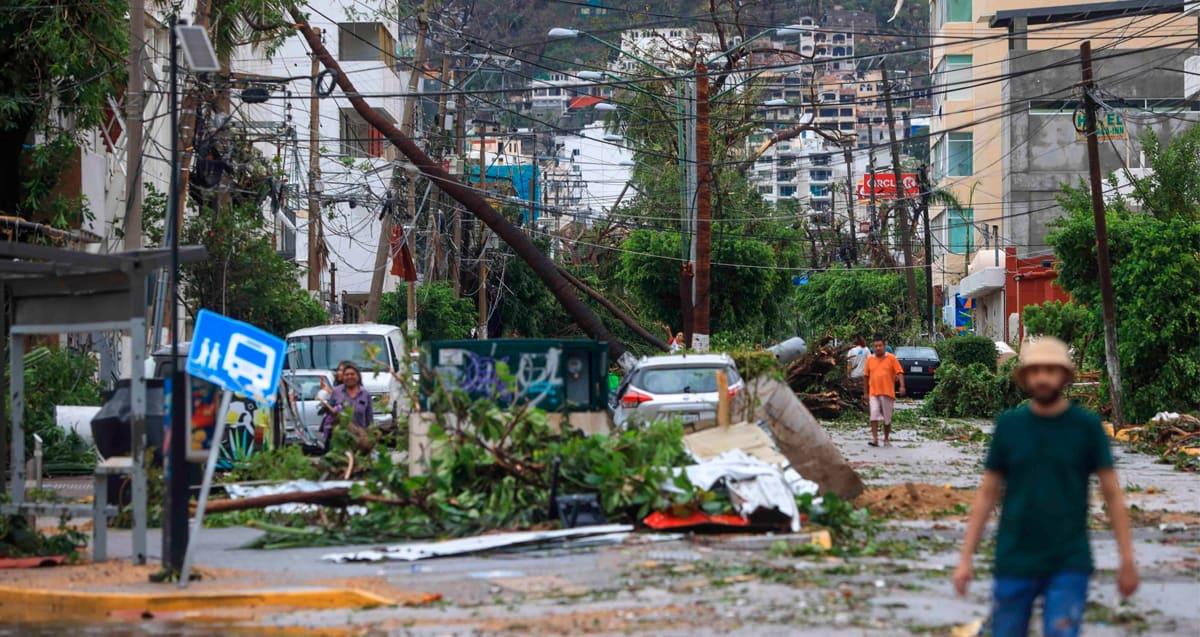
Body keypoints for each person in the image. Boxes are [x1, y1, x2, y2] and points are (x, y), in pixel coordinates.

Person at [953, 337, 1138, 637]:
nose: (1042, 377)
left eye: (1051, 370)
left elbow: (1112, 495)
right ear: (1025, 377)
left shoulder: (1086, 427)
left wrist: (1127, 561)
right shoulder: (1010, 426)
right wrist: (965, 559)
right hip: (1014, 558)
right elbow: (987, 493)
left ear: (1065, 376)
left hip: (1068, 561)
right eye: (1035, 370)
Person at [863, 334, 904, 447]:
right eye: (875, 346)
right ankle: (875, 439)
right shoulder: (870, 359)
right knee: (873, 415)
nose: (878, 348)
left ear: (884, 345)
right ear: (873, 346)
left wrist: (902, 386)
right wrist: (865, 392)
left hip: (887, 393)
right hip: (873, 393)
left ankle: (886, 439)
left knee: (887, 418)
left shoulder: (891, 358)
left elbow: (899, 372)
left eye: (880, 345)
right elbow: (866, 376)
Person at [320, 361, 373, 447]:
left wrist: (369, 438)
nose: (349, 377)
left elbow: (369, 419)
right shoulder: (336, 392)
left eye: (352, 374)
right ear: (343, 377)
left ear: (358, 376)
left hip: (359, 439)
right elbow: (329, 415)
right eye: (346, 374)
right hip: (340, 439)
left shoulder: (365, 394)